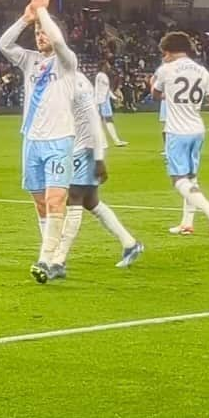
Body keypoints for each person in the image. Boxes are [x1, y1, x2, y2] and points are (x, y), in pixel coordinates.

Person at [0, 0, 77, 283]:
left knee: (56, 199)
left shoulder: (67, 61)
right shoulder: (30, 60)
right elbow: (3, 44)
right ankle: (56, 258)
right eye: (37, 34)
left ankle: (46, 259)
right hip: (31, 141)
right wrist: (25, 19)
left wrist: (42, 11)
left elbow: (57, 39)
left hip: (59, 140)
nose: (41, 37)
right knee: (41, 203)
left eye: (44, 33)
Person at [46, 71, 144, 279]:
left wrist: (99, 159)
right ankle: (130, 243)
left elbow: (94, 122)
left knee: (73, 198)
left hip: (86, 149)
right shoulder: (61, 82)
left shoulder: (78, 85)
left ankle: (58, 260)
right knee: (91, 202)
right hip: (76, 147)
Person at [152, 32, 209, 238]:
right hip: (198, 130)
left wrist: (156, 82)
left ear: (167, 52)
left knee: (178, 180)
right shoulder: (202, 71)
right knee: (191, 178)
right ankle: (187, 224)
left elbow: (155, 95)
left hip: (177, 131)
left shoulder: (165, 70)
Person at [95, 63, 127, 147]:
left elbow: (106, 89)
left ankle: (110, 141)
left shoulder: (102, 76)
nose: (109, 67)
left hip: (103, 100)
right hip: (102, 101)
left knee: (103, 121)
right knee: (105, 120)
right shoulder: (101, 76)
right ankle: (108, 141)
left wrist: (114, 98)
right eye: (107, 65)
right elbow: (101, 90)